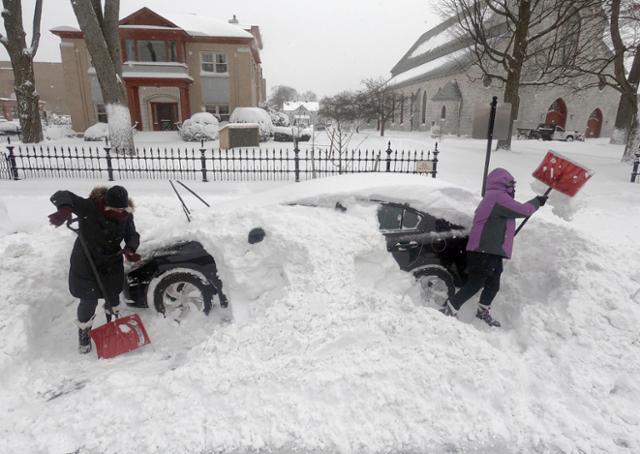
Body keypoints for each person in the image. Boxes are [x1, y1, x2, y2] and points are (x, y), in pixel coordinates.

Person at [440, 168, 547, 327]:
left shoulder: (497, 198)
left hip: (492, 250)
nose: (514, 187)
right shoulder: (497, 196)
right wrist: (537, 201)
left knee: (493, 284)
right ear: (501, 183)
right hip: (483, 249)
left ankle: (482, 311)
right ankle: (450, 308)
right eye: (511, 184)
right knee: (476, 283)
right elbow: (523, 210)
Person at [48, 185, 141, 353]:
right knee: (88, 299)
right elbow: (62, 194)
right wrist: (64, 209)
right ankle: (84, 333)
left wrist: (130, 248)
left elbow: (132, 234)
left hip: (111, 261)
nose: (119, 212)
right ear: (105, 202)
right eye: (114, 208)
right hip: (86, 260)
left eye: (121, 209)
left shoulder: (126, 215)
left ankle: (113, 328)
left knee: (113, 297)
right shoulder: (90, 207)